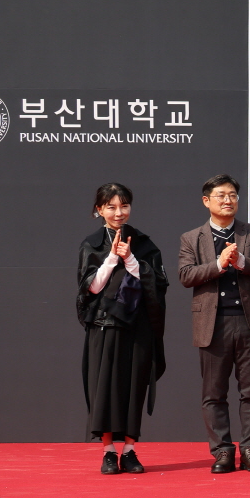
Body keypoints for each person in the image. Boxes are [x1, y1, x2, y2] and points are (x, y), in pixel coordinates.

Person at [178, 174, 250, 474]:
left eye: (233, 195)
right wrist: (219, 264)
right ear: (206, 201)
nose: (228, 200)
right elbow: (186, 275)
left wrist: (241, 262)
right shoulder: (191, 238)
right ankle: (222, 450)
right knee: (213, 394)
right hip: (213, 324)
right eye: (221, 195)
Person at [78, 182, 167, 475]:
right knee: (103, 389)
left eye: (124, 206)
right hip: (103, 326)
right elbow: (90, 288)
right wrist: (112, 258)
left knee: (133, 388)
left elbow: (157, 286)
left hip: (138, 328)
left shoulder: (145, 244)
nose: (119, 213)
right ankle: (108, 452)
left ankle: (129, 451)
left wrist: (130, 259)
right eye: (112, 207)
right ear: (99, 209)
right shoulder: (91, 244)